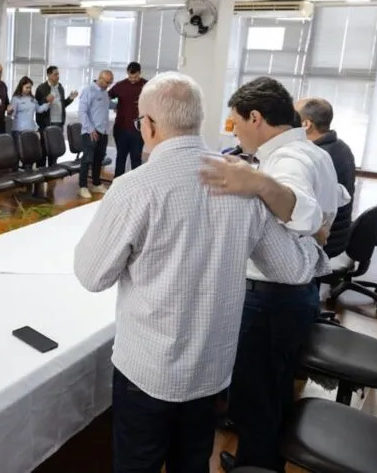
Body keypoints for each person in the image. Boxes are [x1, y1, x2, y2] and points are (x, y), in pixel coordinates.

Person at [73, 72, 327, 473]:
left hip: (148, 371)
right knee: (192, 462)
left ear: (150, 125)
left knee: (136, 463)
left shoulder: (136, 188)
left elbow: (92, 276)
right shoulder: (241, 183)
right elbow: (292, 269)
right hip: (211, 371)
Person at [199, 77, 348, 473]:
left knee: (254, 397)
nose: (233, 132)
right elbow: (326, 209)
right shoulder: (311, 151)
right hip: (292, 295)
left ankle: (255, 465)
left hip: (269, 298)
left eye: (235, 123)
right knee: (274, 387)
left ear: (256, 117)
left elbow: (304, 208)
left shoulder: (287, 160)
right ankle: (265, 460)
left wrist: (262, 184)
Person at [296, 97, 356, 257]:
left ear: (306, 124)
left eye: (294, 117)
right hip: (339, 234)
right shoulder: (341, 146)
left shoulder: (318, 156)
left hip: (325, 240)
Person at [78, 70, 114, 199]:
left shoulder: (105, 93)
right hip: (90, 132)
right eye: (107, 82)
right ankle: (82, 186)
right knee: (87, 159)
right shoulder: (89, 90)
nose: (108, 85)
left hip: (103, 131)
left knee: (98, 159)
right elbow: (82, 112)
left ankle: (96, 183)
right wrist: (90, 129)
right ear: (100, 78)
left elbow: (107, 106)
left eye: (110, 82)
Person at [109, 62, 148, 177]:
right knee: (120, 157)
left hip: (138, 130)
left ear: (140, 73)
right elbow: (107, 97)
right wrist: (115, 105)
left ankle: (136, 186)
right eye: (130, 77)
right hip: (121, 128)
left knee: (136, 158)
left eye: (135, 77)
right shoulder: (120, 85)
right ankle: (117, 185)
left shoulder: (147, 86)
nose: (132, 79)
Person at [35, 65, 78, 167]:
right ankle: (40, 177)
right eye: (55, 74)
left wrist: (70, 99)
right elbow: (36, 106)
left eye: (58, 74)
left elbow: (62, 105)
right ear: (49, 75)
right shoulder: (41, 88)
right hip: (46, 124)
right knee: (44, 151)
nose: (58, 76)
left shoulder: (60, 87)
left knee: (55, 151)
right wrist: (46, 100)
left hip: (58, 124)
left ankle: (52, 176)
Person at [8, 76, 49, 167]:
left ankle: (28, 175)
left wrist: (48, 104)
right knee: (18, 155)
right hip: (19, 131)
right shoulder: (16, 98)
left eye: (30, 87)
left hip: (30, 130)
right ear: (21, 86)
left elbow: (38, 109)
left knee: (29, 155)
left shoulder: (32, 98)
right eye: (27, 87)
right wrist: (9, 111)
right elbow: (11, 114)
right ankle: (15, 175)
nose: (28, 89)